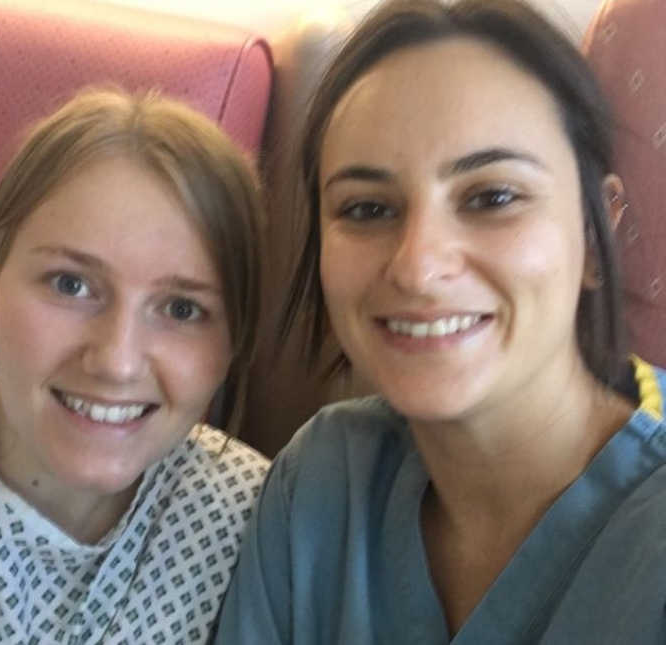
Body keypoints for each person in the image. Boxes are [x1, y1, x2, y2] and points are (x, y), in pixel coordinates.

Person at [213, 0, 666, 643]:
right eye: (367, 208)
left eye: (493, 198)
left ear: (595, 235)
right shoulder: (321, 482)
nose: (418, 268)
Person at [0, 87, 269, 644]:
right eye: (70, 284)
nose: (116, 361)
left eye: (182, 309)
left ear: (234, 340)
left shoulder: (256, 525)